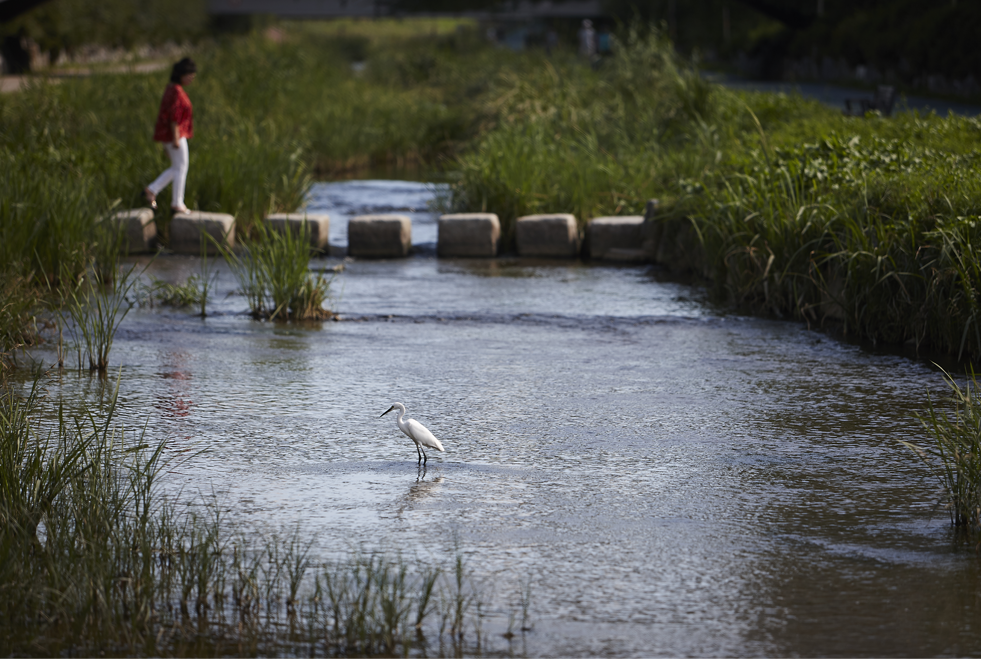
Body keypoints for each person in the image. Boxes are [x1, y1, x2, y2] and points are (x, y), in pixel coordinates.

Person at [144, 57, 196, 214]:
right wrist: (175, 139)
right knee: (181, 167)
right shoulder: (176, 92)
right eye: (190, 75)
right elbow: (174, 117)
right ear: (182, 74)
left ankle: (153, 190)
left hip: (171, 135)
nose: (191, 78)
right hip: (176, 135)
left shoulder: (171, 89)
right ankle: (176, 202)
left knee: (177, 167)